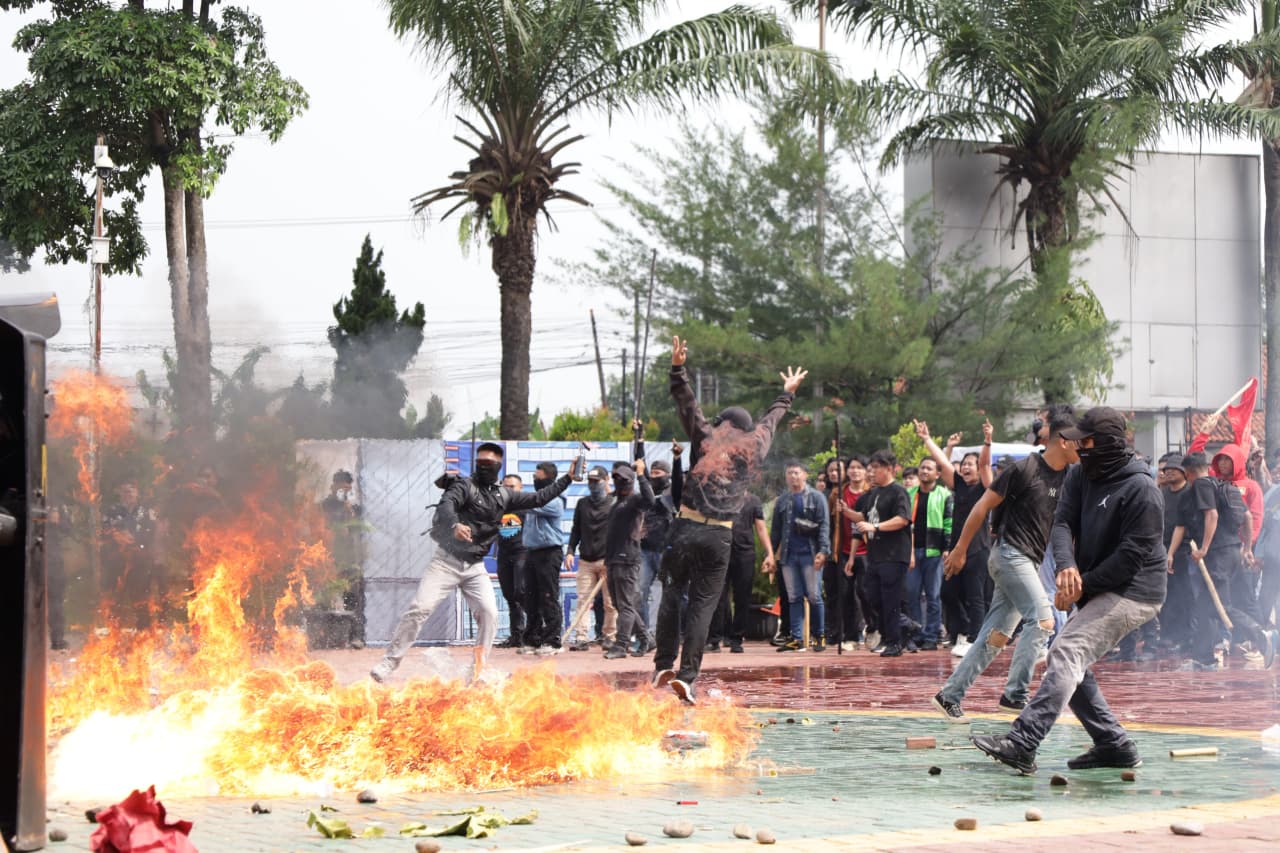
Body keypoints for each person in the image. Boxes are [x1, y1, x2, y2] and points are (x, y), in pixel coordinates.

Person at [971, 407, 1167, 774]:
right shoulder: (1080, 474)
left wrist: (1080, 587)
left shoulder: (1142, 489)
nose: (1078, 446)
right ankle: (1113, 744)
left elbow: (1130, 559)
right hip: (1095, 581)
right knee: (1072, 659)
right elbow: (1062, 522)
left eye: (1086, 440)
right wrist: (1066, 568)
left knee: (1067, 650)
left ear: (1107, 444)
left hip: (1136, 591)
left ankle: (1023, 741)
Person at [653, 336, 805, 705]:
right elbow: (771, 420)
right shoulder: (755, 445)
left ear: (723, 425)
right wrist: (786, 395)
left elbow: (687, 405)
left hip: (685, 527)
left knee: (672, 593)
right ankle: (688, 677)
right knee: (704, 605)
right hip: (719, 538)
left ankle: (662, 664)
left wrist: (678, 369)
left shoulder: (706, 437)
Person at [371, 443, 578, 682]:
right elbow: (447, 505)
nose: (483, 468)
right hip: (445, 563)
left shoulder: (505, 495)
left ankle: (477, 670)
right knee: (420, 608)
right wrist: (454, 525)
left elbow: (539, 498)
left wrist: (569, 477)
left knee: (490, 614)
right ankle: (389, 662)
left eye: (488, 464)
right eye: (479, 463)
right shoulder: (464, 486)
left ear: (498, 466)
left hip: (474, 568)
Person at [931, 405, 1078, 723]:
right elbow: (982, 506)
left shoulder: (1068, 476)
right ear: (1063, 440)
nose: (1084, 448)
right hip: (1010, 555)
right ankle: (1015, 696)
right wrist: (959, 549)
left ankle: (950, 695)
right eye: (1079, 441)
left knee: (995, 636)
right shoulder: (1023, 469)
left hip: (1027, 561)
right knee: (1042, 622)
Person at [1170, 452, 1277, 670]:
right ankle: (1203, 658)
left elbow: (1212, 515)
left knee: (1220, 606)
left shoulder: (1199, 486)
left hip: (1216, 555)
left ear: (1188, 473)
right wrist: (1246, 548)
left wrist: (1204, 548)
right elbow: (1247, 517)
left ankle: (1261, 634)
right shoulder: (1225, 486)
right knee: (1206, 604)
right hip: (1233, 552)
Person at [917, 419, 993, 657]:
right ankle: (960, 631)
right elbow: (941, 461)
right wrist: (927, 439)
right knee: (948, 592)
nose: (967, 468)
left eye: (971, 464)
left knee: (975, 595)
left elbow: (986, 463)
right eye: (964, 465)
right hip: (955, 550)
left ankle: (974, 639)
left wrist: (987, 441)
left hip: (978, 549)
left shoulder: (986, 488)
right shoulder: (958, 485)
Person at [850, 449, 913, 656]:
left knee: (891, 598)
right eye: (871, 468)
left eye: (876, 468)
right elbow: (863, 516)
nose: (872, 472)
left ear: (889, 469)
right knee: (872, 595)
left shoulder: (898, 492)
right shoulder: (873, 494)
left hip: (894, 554)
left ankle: (894, 641)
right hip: (875, 555)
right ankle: (904, 625)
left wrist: (875, 528)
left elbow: (902, 519)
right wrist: (846, 511)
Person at [771, 460, 831, 652]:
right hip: (789, 556)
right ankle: (797, 638)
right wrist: (771, 555)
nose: (793, 477)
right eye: (789, 473)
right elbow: (776, 531)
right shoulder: (782, 500)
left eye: (796, 473)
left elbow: (824, 525)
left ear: (805, 474)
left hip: (810, 553)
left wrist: (823, 551)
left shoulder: (817, 497)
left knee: (814, 596)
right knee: (793, 597)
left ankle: (819, 635)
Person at [635, 427, 683, 648]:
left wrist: (676, 458)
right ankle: (645, 635)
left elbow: (678, 483)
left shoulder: (671, 494)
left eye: (658, 473)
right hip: (645, 551)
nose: (654, 476)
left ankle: (672, 633)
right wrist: (639, 438)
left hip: (666, 550)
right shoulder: (646, 492)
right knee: (639, 592)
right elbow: (639, 466)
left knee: (671, 593)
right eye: (652, 474)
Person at [603, 461, 655, 659]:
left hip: (627, 558)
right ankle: (646, 638)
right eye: (616, 478)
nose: (619, 482)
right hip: (613, 559)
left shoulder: (635, 501)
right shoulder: (615, 501)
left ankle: (621, 645)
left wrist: (642, 474)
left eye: (623, 479)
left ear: (631, 482)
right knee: (621, 604)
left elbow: (650, 500)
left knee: (624, 604)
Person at [709, 490, 773, 653]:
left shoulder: (753, 500)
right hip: (720, 552)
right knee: (718, 596)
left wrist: (769, 554)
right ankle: (715, 638)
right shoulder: (718, 499)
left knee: (742, 597)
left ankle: (736, 638)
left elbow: (761, 528)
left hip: (744, 553)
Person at [520, 462, 569, 656]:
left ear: (549, 478)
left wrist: (514, 499)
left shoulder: (555, 500)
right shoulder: (534, 499)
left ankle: (553, 640)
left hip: (549, 553)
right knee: (531, 597)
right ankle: (532, 639)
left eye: (538, 476)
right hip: (532, 552)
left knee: (548, 596)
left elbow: (530, 505)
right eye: (533, 476)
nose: (534, 479)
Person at [565, 465, 616, 650]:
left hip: (606, 561)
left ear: (606, 481)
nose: (593, 485)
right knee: (583, 601)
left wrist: (610, 561)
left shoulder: (613, 503)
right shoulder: (582, 504)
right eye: (590, 481)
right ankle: (582, 637)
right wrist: (570, 551)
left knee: (611, 603)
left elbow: (619, 536)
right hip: (586, 560)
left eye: (597, 482)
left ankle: (610, 636)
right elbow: (575, 530)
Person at [904, 454, 953, 651]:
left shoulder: (944, 495)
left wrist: (947, 548)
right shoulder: (910, 494)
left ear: (938, 474)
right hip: (913, 551)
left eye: (929, 468)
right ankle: (916, 633)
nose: (924, 471)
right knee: (913, 593)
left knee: (933, 595)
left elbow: (949, 522)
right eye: (922, 468)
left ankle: (932, 635)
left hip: (935, 551)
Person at [102, 479, 160, 629]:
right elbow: (104, 531)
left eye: (131, 490)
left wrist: (136, 540)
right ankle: (114, 634)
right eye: (125, 490)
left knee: (141, 597)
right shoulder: (112, 511)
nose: (128, 493)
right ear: (120, 493)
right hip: (117, 560)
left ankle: (144, 633)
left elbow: (153, 532)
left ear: (137, 493)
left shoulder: (147, 511)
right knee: (115, 598)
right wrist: (116, 535)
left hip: (139, 560)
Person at [838, 455, 873, 649]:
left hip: (866, 551)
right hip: (843, 549)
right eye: (852, 467)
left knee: (865, 592)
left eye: (860, 467)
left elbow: (860, 521)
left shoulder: (871, 493)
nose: (855, 471)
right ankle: (850, 635)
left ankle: (870, 628)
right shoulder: (839, 493)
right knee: (846, 594)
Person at [495, 473, 529, 649]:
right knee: (509, 595)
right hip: (504, 554)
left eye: (512, 486)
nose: (508, 489)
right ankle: (516, 635)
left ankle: (534, 632)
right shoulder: (498, 506)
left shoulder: (526, 506)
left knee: (521, 592)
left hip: (521, 553)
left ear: (520, 488)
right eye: (505, 486)